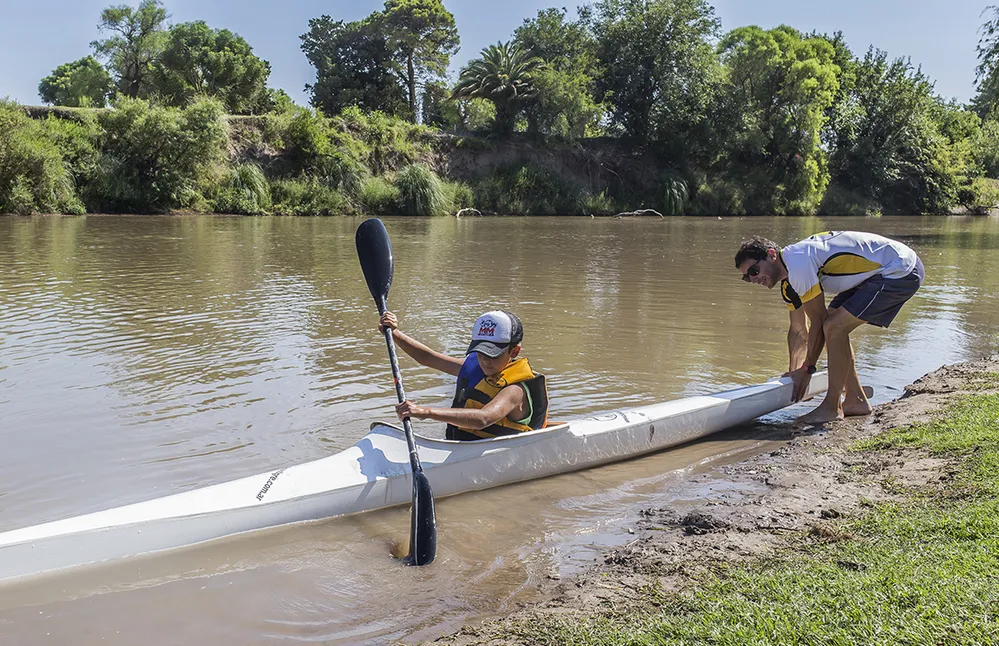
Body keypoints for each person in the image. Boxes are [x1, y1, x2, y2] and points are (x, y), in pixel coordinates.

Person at [735, 231, 924, 424]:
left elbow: (818, 323)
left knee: (833, 327)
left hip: (900, 269)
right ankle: (856, 400)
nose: (753, 279)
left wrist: (807, 369)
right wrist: (793, 374)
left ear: (772, 254)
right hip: (875, 274)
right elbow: (799, 330)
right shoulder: (788, 284)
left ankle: (832, 407)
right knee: (833, 321)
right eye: (747, 278)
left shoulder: (798, 264)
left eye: (754, 271)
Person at [377, 309, 549, 440]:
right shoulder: (475, 368)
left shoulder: (514, 391)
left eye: (493, 354)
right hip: (463, 447)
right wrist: (394, 334)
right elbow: (428, 358)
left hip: (498, 452)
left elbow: (484, 418)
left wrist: (426, 411)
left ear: (514, 351)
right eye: (480, 353)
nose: (485, 361)